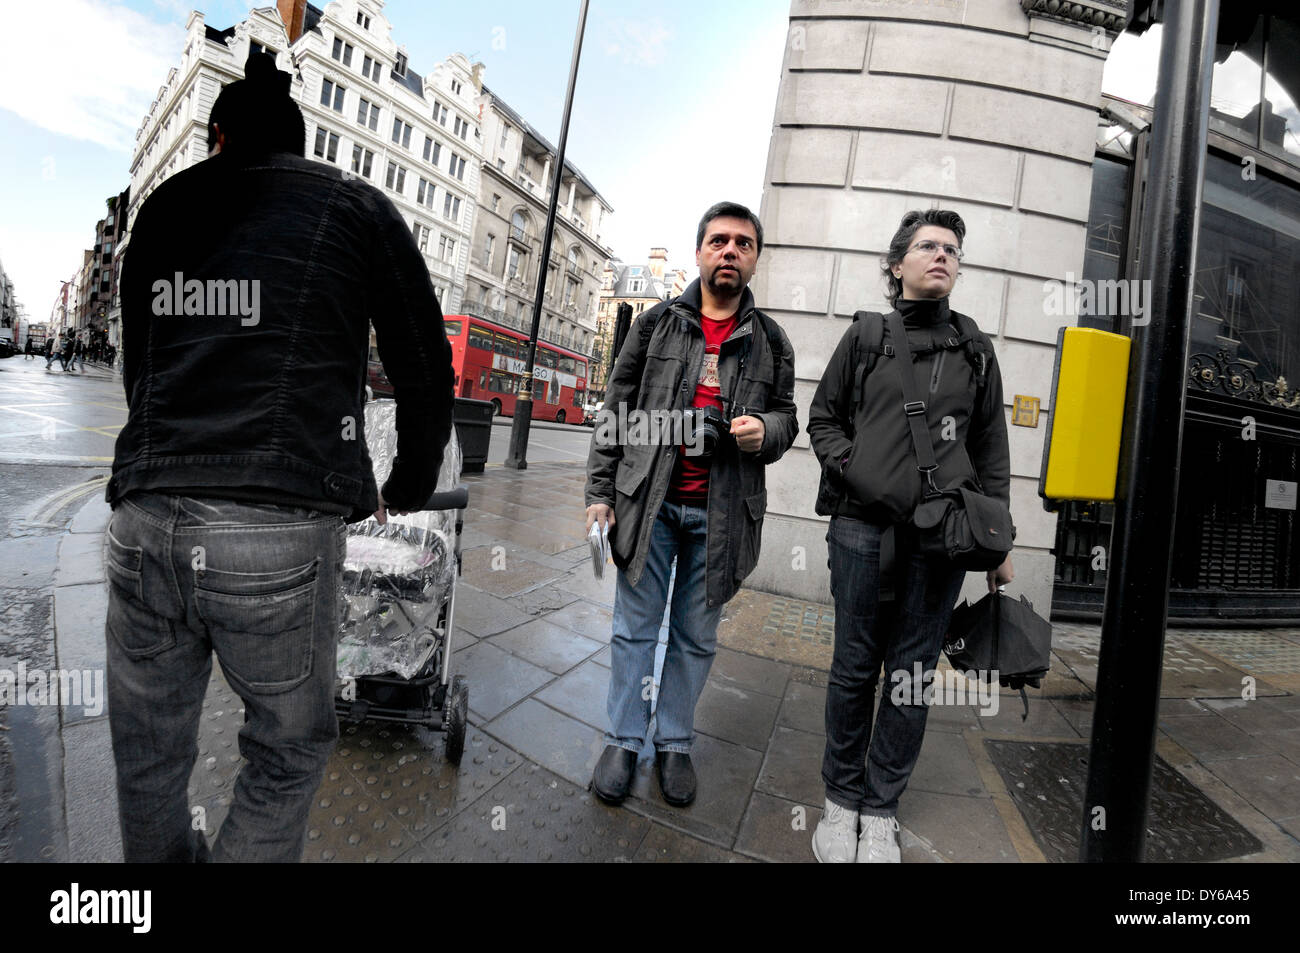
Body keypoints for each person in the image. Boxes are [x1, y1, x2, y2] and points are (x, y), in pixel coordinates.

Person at [106, 52, 454, 862]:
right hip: (276, 527)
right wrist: (404, 480)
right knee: (285, 750)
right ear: (300, 146)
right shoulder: (355, 206)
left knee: (149, 757)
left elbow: (140, 365)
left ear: (218, 138)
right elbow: (423, 359)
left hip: (146, 515)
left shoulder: (162, 210)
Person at [806, 209, 1013, 863]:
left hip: (940, 544)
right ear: (898, 264)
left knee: (912, 675)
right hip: (862, 532)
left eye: (953, 248)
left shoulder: (975, 350)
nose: (942, 255)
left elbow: (991, 450)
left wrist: (998, 545)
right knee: (853, 669)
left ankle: (880, 809)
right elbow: (823, 418)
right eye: (928, 245)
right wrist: (858, 472)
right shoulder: (866, 337)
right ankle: (840, 803)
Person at [585, 201, 798, 807]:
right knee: (633, 630)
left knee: (695, 637)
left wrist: (768, 431)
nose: (730, 251)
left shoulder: (770, 341)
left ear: (754, 259)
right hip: (647, 506)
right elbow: (616, 412)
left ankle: (674, 743)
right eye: (719, 241)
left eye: (743, 244)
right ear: (700, 251)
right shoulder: (655, 326)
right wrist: (600, 495)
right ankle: (623, 740)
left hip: (722, 515)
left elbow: (788, 418)